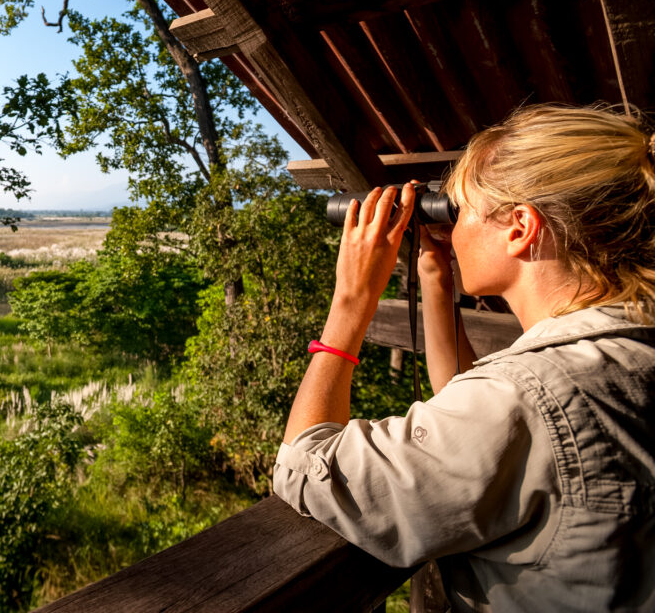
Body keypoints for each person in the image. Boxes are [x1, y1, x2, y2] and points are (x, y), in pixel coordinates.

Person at [273, 104, 655, 612]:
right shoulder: (628, 349)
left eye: (459, 209)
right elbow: (472, 406)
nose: (451, 226)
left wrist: (350, 301)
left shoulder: (527, 396)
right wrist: (437, 276)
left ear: (520, 227)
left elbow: (303, 465)